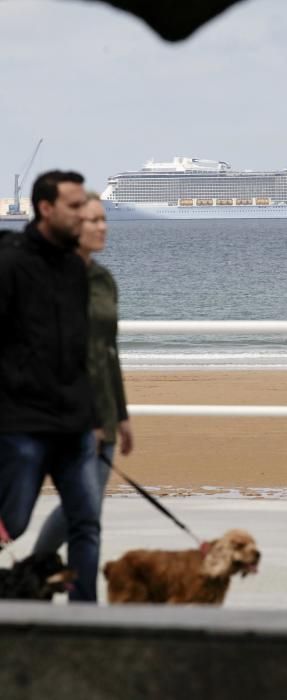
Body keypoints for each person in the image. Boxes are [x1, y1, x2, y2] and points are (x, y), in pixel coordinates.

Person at [0, 171, 100, 602]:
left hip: (74, 425)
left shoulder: (76, 268)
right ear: (46, 208)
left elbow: (78, 347)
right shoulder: (11, 263)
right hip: (22, 424)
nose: (84, 214)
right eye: (74, 207)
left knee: (86, 522)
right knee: (11, 522)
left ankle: (85, 617)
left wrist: (93, 414)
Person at [34, 193, 133, 561]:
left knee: (87, 514)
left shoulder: (104, 280)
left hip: (103, 418)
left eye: (104, 218)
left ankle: (76, 603)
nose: (103, 226)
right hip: (62, 418)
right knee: (77, 511)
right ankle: (32, 574)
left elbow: (109, 352)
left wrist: (120, 415)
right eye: (93, 220)